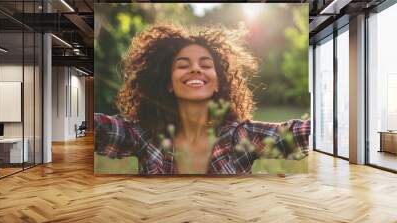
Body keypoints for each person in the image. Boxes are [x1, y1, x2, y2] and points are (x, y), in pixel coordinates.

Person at [95, 24, 310, 175]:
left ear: (218, 83)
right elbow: (96, 128)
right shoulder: (143, 135)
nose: (196, 68)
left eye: (206, 65)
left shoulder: (241, 136)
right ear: (169, 83)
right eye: (183, 65)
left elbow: (299, 134)